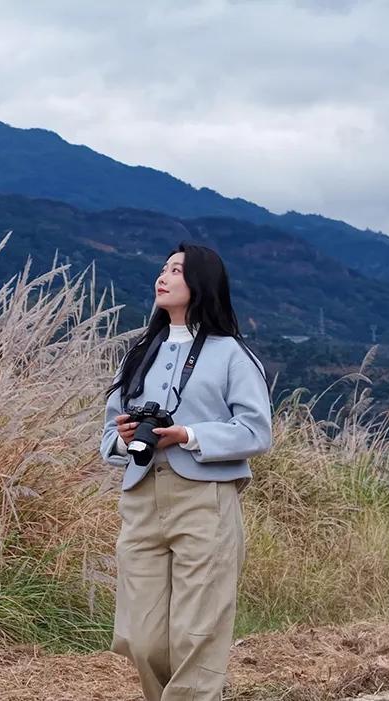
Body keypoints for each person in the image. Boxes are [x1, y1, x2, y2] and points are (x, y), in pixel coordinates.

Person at [100, 242, 273, 701]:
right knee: (142, 636)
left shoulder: (232, 354)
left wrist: (188, 435)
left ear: (200, 283)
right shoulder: (139, 352)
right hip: (140, 499)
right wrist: (125, 435)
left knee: (197, 637)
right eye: (162, 268)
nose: (164, 276)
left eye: (176, 270)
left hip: (206, 499)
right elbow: (106, 436)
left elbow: (256, 431)